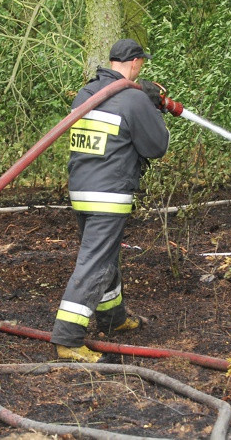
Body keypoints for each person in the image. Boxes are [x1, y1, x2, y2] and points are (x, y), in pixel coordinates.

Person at [51, 39, 170, 362]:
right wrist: (149, 107)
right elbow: (157, 147)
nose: (141, 68)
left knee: (105, 255)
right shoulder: (132, 99)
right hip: (110, 193)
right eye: (141, 63)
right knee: (95, 262)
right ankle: (68, 338)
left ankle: (113, 318)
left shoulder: (86, 93)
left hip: (82, 190)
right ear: (134, 63)